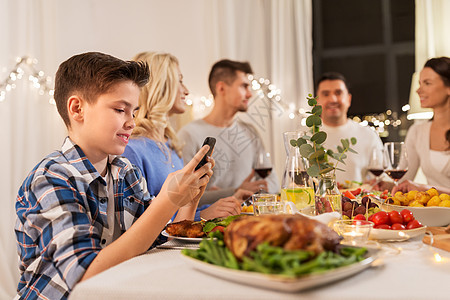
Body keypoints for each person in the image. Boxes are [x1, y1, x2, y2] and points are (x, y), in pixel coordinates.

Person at [14, 52, 213, 299]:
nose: (131, 122)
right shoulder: (51, 179)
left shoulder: (125, 172)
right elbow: (83, 276)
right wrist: (167, 200)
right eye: (120, 109)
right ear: (77, 109)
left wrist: (189, 199)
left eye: (134, 111)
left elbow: (158, 241)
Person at [123, 52, 249, 220]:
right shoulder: (132, 150)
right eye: (180, 81)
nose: (187, 91)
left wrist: (220, 207)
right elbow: (141, 225)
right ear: (160, 86)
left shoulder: (170, 145)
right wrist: (204, 215)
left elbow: (180, 210)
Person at [178, 59, 279, 205]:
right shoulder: (189, 135)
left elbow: (273, 183)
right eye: (244, 86)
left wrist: (221, 193)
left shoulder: (250, 132)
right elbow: (184, 198)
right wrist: (234, 191)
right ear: (221, 89)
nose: (250, 94)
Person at [314, 72, 383, 184]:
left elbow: (381, 181)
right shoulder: (306, 137)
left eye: (338, 93)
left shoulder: (369, 135)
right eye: (326, 94)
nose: (333, 99)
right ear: (317, 101)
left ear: (349, 99)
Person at [399, 56, 450, 190]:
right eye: (420, 83)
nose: (418, 90)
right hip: (430, 211)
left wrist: (424, 189)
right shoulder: (417, 131)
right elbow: (402, 179)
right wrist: (382, 184)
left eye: (427, 83)